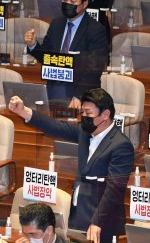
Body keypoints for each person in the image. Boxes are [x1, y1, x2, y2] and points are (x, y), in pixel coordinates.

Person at [8, 88, 134, 243]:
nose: (84, 117)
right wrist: (24, 111)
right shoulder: (85, 132)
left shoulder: (121, 145)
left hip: (104, 222)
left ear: (105, 114)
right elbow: (55, 126)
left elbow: (114, 189)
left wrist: (97, 221)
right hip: (78, 214)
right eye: (83, 112)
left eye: (88, 113)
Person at [23, 0, 108, 108]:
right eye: (65, 0)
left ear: (84, 3)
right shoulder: (57, 24)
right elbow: (47, 57)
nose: (68, 4)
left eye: (73, 1)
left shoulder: (95, 29)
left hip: (79, 93)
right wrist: (33, 45)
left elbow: (94, 69)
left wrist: (79, 96)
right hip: (53, 89)